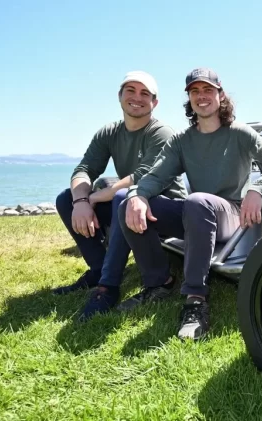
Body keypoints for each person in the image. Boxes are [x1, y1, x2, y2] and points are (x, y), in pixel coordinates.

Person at [119, 67, 262, 341]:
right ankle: (158, 283)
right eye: (195, 91)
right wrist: (137, 196)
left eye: (208, 90)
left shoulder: (240, 133)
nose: (202, 96)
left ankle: (195, 300)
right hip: (196, 213)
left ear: (220, 95)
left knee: (197, 202)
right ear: (189, 98)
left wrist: (257, 189)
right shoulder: (181, 141)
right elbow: (156, 175)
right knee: (128, 205)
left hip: (232, 216)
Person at [53, 71, 187, 322]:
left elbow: (142, 176)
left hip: (164, 208)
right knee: (66, 199)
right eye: (131, 91)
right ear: (120, 96)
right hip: (128, 204)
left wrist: (94, 198)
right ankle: (98, 269)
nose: (137, 98)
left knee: (122, 198)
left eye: (145, 93)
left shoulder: (162, 133)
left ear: (154, 102)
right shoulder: (110, 132)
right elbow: (85, 169)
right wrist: (81, 201)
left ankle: (108, 286)